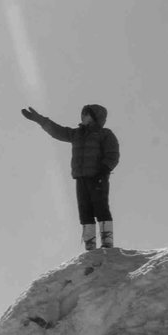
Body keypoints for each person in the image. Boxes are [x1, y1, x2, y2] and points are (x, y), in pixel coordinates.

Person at [21, 103, 121, 254]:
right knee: (84, 211)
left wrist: (104, 171)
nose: (83, 117)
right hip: (80, 178)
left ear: (96, 117)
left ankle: (107, 242)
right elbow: (57, 131)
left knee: (101, 208)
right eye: (82, 114)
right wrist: (39, 120)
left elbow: (113, 154)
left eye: (87, 114)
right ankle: (90, 245)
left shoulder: (105, 134)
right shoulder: (77, 134)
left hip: (97, 177)